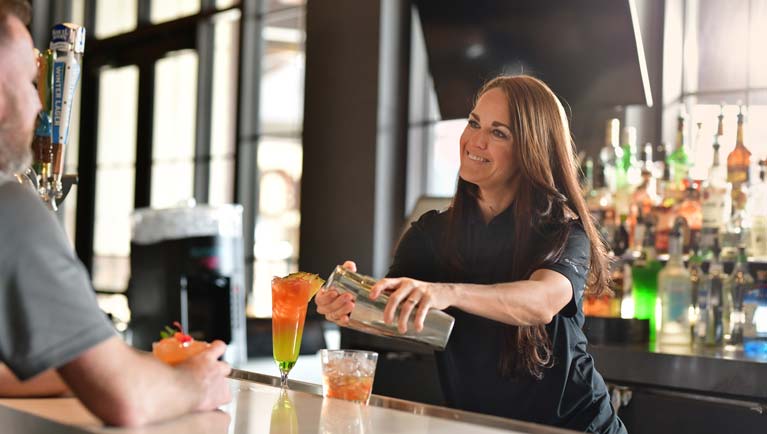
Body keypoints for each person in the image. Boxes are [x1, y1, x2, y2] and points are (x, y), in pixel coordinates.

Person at [317, 75, 626, 433]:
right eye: (474, 123)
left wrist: (447, 291)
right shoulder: (431, 233)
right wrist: (350, 304)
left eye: (499, 133)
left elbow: (540, 302)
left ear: (531, 150)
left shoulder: (564, 231)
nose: (475, 141)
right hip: (483, 427)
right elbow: (396, 310)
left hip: (576, 427)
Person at [0, 0, 231, 426]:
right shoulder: (9, 210)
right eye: (30, 85)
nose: (38, 107)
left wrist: (89, 366)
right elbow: (126, 399)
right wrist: (197, 381)